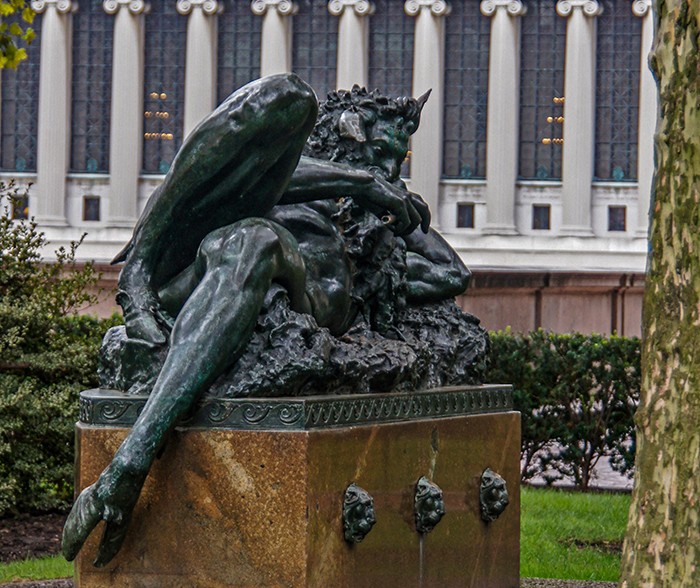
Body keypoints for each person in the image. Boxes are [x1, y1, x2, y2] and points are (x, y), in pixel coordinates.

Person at [62, 73, 470, 565]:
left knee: (253, 240)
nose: (389, 168)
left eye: (396, 160)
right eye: (380, 152)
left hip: (311, 293)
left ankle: (127, 466)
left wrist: (386, 270)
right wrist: (363, 183)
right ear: (345, 135)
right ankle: (138, 275)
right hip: (204, 271)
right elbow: (247, 179)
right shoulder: (284, 174)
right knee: (287, 99)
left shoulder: (386, 209)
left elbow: (452, 272)